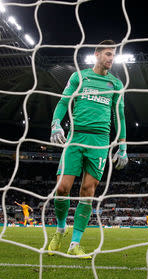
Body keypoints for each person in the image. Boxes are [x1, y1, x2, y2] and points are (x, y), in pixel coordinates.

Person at [47, 40, 128, 259]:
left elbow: (119, 116)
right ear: (97, 54)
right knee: (62, 188)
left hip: (100, 142)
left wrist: (123, 145)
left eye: (114, 56)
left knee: (88, 192)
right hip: (75, 137)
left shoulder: (116, 84)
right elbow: (64, 102)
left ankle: (75, 243)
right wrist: (56, 123)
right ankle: (60, 230)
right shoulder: (79, 77)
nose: (111, 59)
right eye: (108, 54)